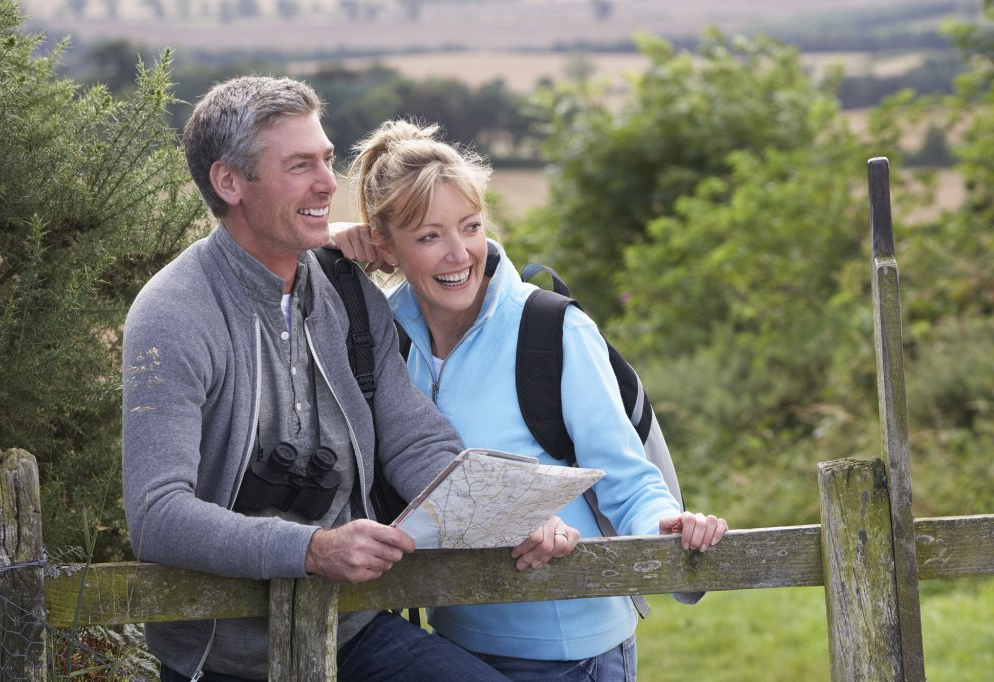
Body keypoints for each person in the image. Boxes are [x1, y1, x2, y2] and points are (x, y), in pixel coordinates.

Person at [121, 76, 578, 682]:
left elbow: (416, 441)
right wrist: (311, 550)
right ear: (229, 182)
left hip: (356, 627)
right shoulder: (174, 312)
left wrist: (509, 513)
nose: (327, 184)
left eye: (328, 160)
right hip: (224, 653)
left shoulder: (348, 292)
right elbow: (158, 515)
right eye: (299, 165)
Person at [331, 119, 728, 681]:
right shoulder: (382, 335)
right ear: (384, 244)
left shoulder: (552, 331)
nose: (457, 253)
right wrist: (329, 243)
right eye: (428, 236)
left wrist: (667, 521)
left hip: (571, 651)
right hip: (452, 645)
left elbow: (626, 478)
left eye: (469, 227)